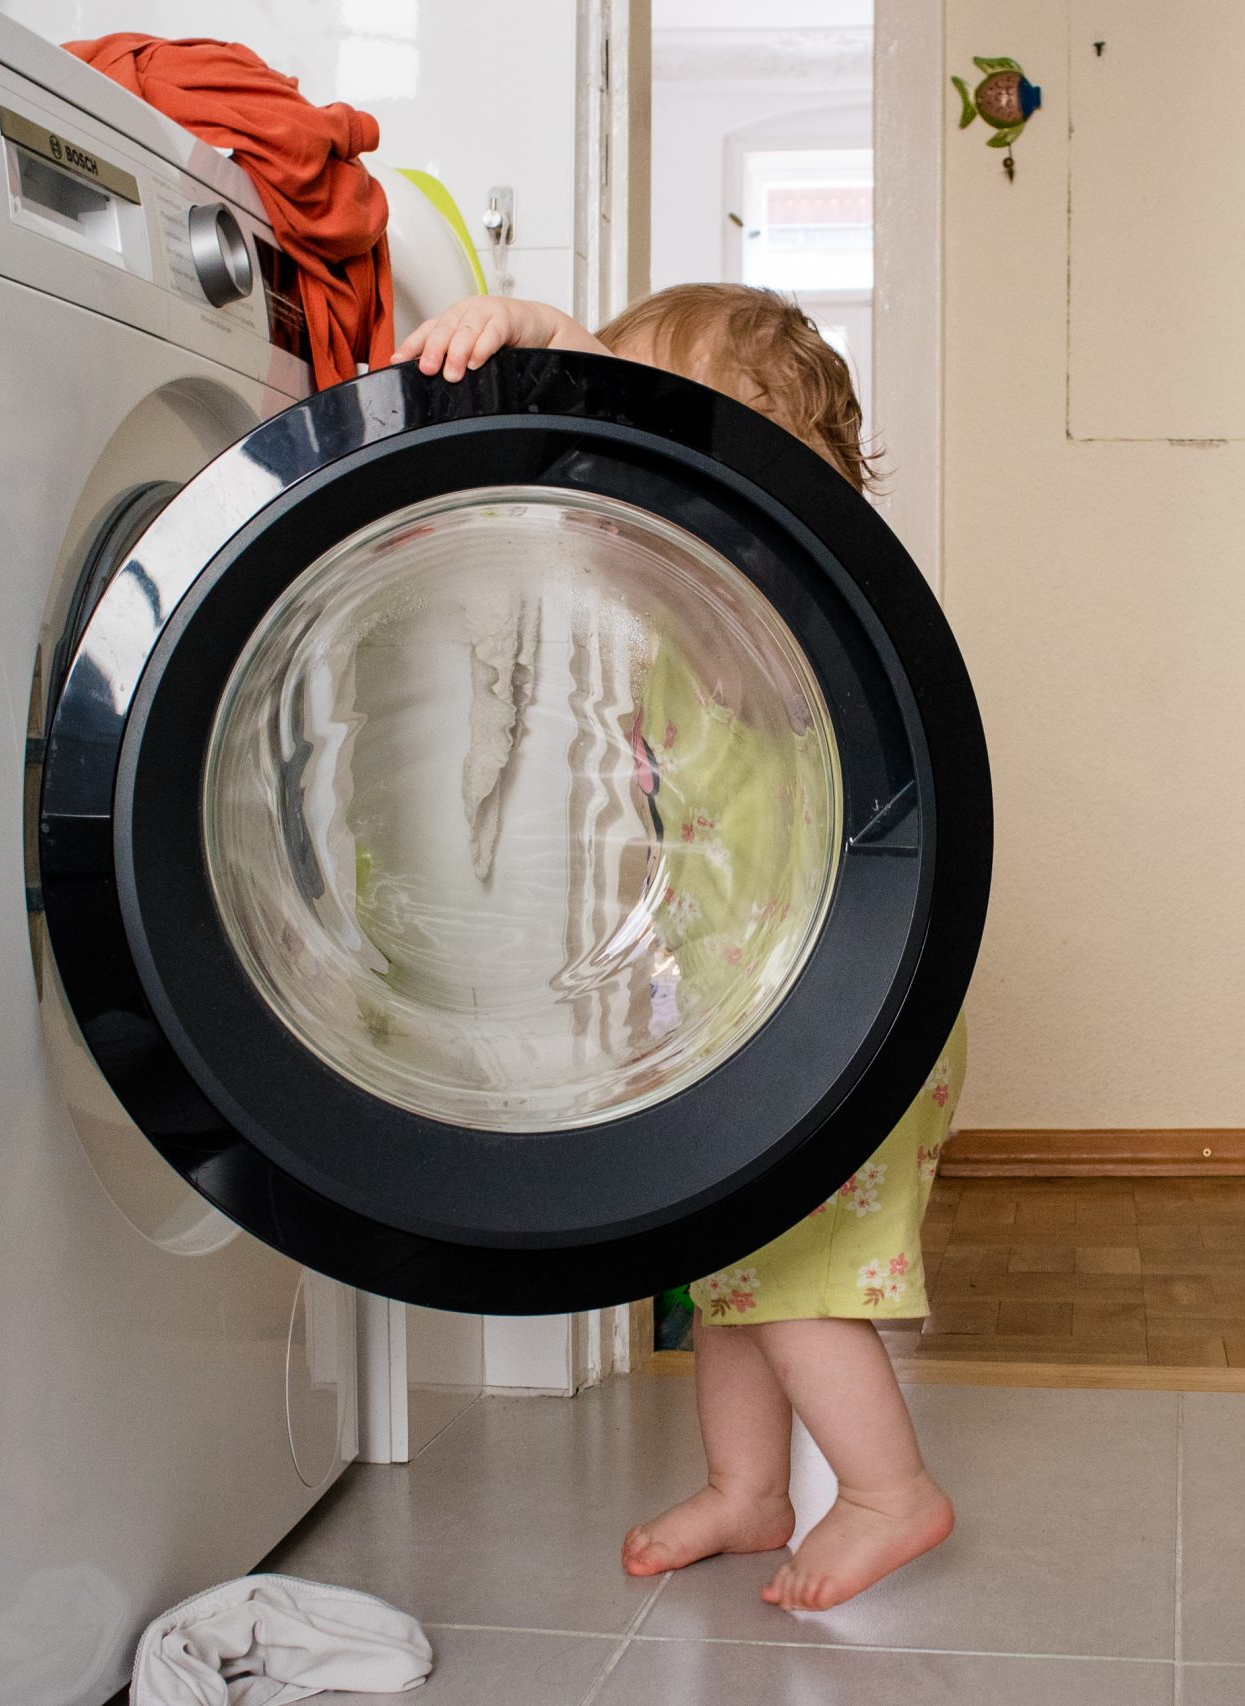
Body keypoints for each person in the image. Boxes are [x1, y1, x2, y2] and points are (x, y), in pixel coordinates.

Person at [392, 288, 962, 1612]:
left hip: (845, 1011)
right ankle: (748, 1488)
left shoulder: (786, 596)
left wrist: (563, 344)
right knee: (732, 1267)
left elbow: (715, 515)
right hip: (742, 1003)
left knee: (796, 1274)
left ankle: (889, 1489)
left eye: (660, 423)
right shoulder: (673, 604)